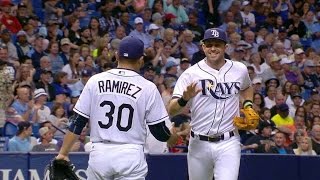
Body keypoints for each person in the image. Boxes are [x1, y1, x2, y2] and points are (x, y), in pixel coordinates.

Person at [55, 36, 179, 179]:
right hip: (130, 154)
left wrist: (63, 153)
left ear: (116, 55)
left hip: (100, 153)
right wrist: (172, 137)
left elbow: (77, 121)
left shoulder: (95, 81)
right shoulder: (148, 87)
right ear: (141, 60)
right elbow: (158, 132)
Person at [168, 28, 254, 180]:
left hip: (229, 141)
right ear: (203, 47)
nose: (213, 48)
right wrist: (184, 99)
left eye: (217, 44)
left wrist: (247, 105)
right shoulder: (190, 73)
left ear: (225, 47)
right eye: (209, 45)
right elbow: (171, 110)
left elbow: (247, 87)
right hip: (199, 143)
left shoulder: (239, 69)